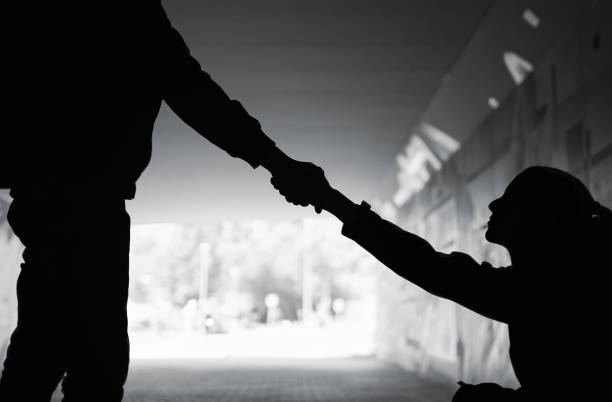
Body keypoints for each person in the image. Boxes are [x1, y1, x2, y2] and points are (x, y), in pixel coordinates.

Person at [0, 2, 322, 401]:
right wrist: (277, 162)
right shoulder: (129, 13)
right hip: (89, 205)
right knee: (87, 361)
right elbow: (194, 93)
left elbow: (192, 91)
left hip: (48, 201)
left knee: (50, 346)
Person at [272, 165, 612, 401]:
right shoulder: (566, 276)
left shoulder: (550, 287)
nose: (495, 203)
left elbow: (429, 267)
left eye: (514, 197)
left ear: (546, 217)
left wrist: (331, 200)